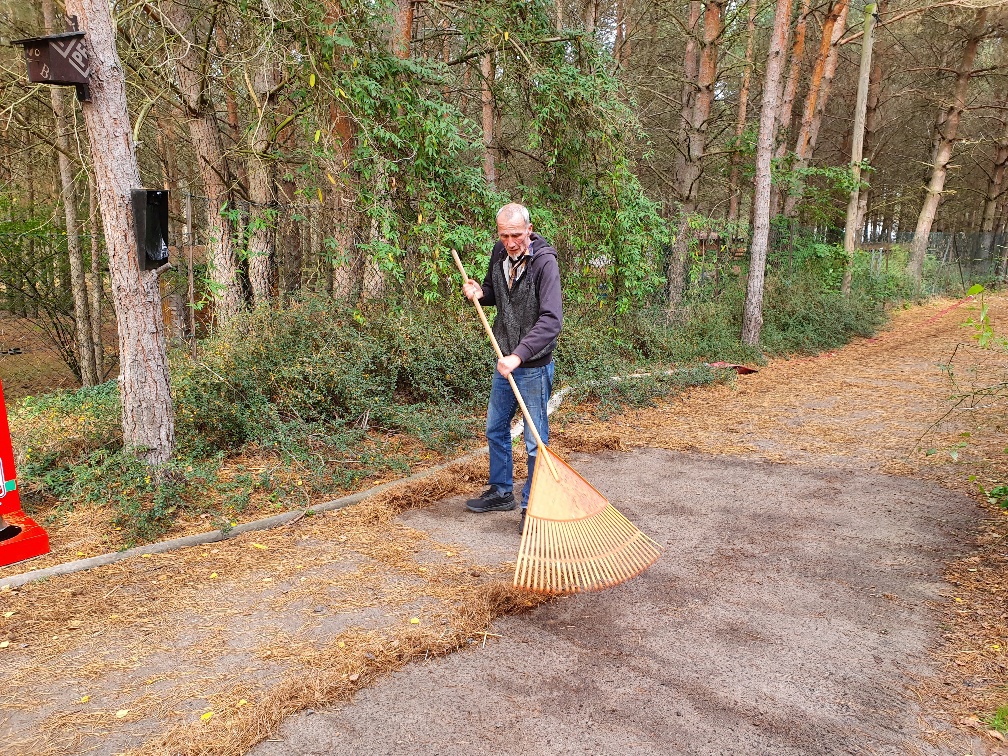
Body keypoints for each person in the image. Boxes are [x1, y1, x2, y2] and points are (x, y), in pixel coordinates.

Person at [461, 202, 562, 532]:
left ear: (529, 230)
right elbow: (495, 293)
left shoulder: (544, 263)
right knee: (495, 427)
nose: (511, 242)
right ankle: (501, 492)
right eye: (504, 235)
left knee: (535, 439)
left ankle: (532, 506)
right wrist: (478, 292)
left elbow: (551, 321)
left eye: (516, 235)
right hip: (505, 359)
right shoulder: (499, 253)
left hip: (531, 364)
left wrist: (519, 355)